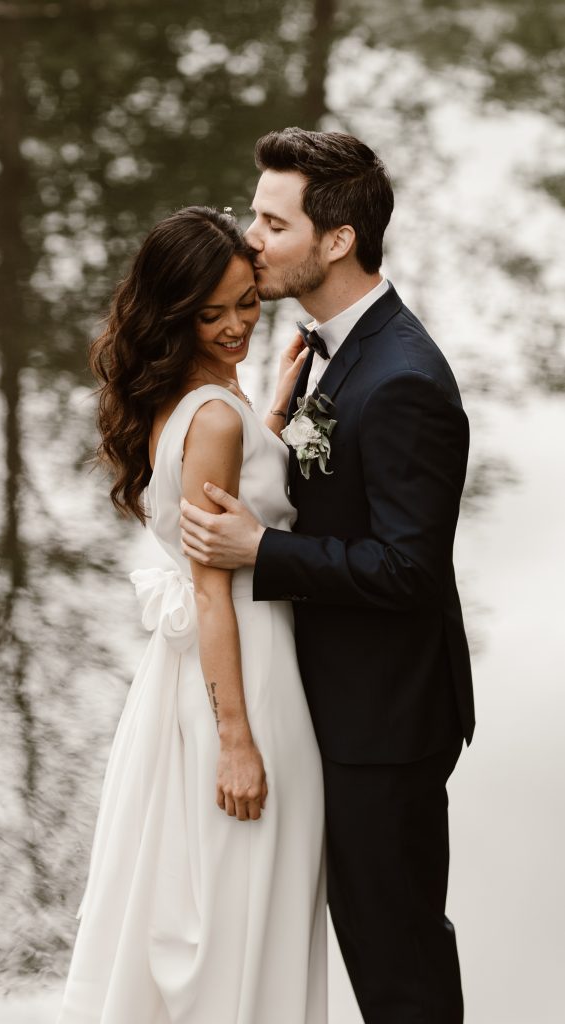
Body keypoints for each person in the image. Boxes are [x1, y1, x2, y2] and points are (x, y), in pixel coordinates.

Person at [180, 128, 475, 1023]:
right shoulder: (335, 346)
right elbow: (334, 491)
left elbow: (409, 571)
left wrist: (259, 554)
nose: (250, 240)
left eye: (272, 223)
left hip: (383, 723)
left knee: (396, 963)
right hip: (334, 701)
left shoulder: (404, 381)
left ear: (336, 240)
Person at [56, 206, 327, 1024]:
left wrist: (273, 409)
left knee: (206, 895)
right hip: (243, 664)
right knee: (240, 893)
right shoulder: (211, 413)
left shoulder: (196, 395)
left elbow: (236, 474)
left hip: (197, 670)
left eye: (246, 301)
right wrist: (237, 744)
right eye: (209, 314)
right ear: (172, 313)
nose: (234, 326)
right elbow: (211, 590)